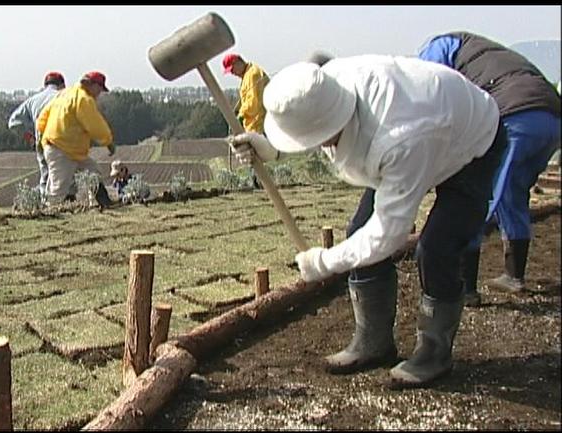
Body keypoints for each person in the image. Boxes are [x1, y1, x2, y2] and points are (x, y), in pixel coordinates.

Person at [230, 57, 506, 388]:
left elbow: (388, 234)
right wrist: (270, 149)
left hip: (473, 142)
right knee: (356, 233)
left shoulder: (400, 138)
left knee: (437, 249)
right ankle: (373, 342)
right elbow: (316, 126)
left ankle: (434, 353)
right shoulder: (323, 84)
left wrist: (325, 261)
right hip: (428, 127)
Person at [418, 32, 561, 306]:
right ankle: (513, 276)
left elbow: (428, 84)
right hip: (552, 120)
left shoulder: (441, 45)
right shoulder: (489, 51)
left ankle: (466, 288)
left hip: (513, 115)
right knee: (512, 193)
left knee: (477, 195)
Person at [37, 71, 115, 209]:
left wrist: (46, 135)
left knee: (93, 171)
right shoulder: (84, 99)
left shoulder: (64, 93)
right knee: (59, 187)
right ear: (93, 85)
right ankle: (49, 213)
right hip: (62, 149)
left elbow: (42, 119)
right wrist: (108, 141)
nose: (99, 93)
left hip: (64, 148)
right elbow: (94, 124)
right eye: (100, 89)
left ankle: (105, 202)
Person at [8, 72, 66, 198]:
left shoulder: (32, 100)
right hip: (61, 139)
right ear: (61, 84)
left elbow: (13, 122)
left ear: (45, 85)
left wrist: (29, 137)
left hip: (40, 138)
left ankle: (44, 203)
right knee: (65, 175)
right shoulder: (63, 96)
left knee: (45, 174)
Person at [222, 53, 270, 189]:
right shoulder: (247, 75)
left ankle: (260, 184)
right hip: (254, 124)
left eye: (232, 70)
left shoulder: (253, 74)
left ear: (238, 62)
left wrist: (241, 115)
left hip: (260, 123)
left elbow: (254, 103)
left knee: (256, 156)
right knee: (253, 157)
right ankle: (258, 184)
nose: (232, 73)